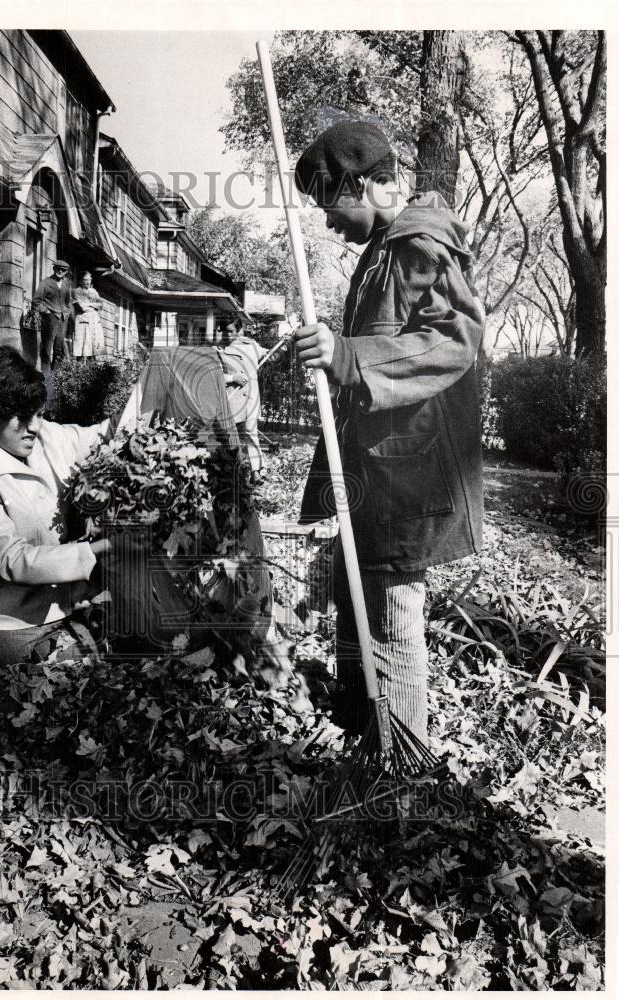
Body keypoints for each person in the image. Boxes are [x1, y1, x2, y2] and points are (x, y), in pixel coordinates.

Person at [291, 119, 485, 744]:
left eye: (331, 204)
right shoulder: (381, 252)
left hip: (411, 469)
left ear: (373, 185)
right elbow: (372, 347)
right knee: (356, 589)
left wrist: (345, 356)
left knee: (393, 611)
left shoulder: (420, 243)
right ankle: (358, 726)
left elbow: (458, 341)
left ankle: (400, 767)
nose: (327, 223)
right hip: (376, 466)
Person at [0, 346, 118, 690]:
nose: (35, 427)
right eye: (22, 417)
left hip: (64, 612)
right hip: (11, 631)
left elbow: (105, 435)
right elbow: (13, 559)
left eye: (39, 414)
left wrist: (158, 388)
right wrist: (98, 552)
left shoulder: (43, 436)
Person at [219, 319, 266, 476]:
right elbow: (214, 375)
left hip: (251, 398)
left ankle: (257, 470)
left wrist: (284, 347)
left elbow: (270, 356)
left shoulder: (252, 346)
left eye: (231, 331)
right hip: (232, 398)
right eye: (224, 331)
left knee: (251, 432)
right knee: (229, 435)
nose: (227, 334)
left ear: (239, 331)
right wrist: (233, 378)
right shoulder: (219, 349)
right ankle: (230, 471)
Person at [31, 259, 73, 398]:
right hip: (49, 319)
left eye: (63, 270)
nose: (60, 271)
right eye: (58, 268)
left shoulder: (67, 284)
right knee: (46, 350)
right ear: (54, 268)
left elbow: (68, 301)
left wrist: (66, 313)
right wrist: (47, 312)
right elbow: (36, 301)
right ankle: (46, 379)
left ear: (66, 271)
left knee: (59, 350)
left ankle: (55, 380)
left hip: (62, 320)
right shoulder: (46, 282)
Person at [72, 271, 105, 361]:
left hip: (94, 322)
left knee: (93, 348)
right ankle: (79, 370)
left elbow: (101, 304)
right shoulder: (77, 291)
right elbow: (82, 307)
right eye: (85, 280)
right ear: (80, 281)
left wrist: (89, 304)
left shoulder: (93, 291)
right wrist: (94, 306)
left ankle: (91, 371)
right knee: (81, 347)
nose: (88, 282)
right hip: (83, 322)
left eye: (89, 280)